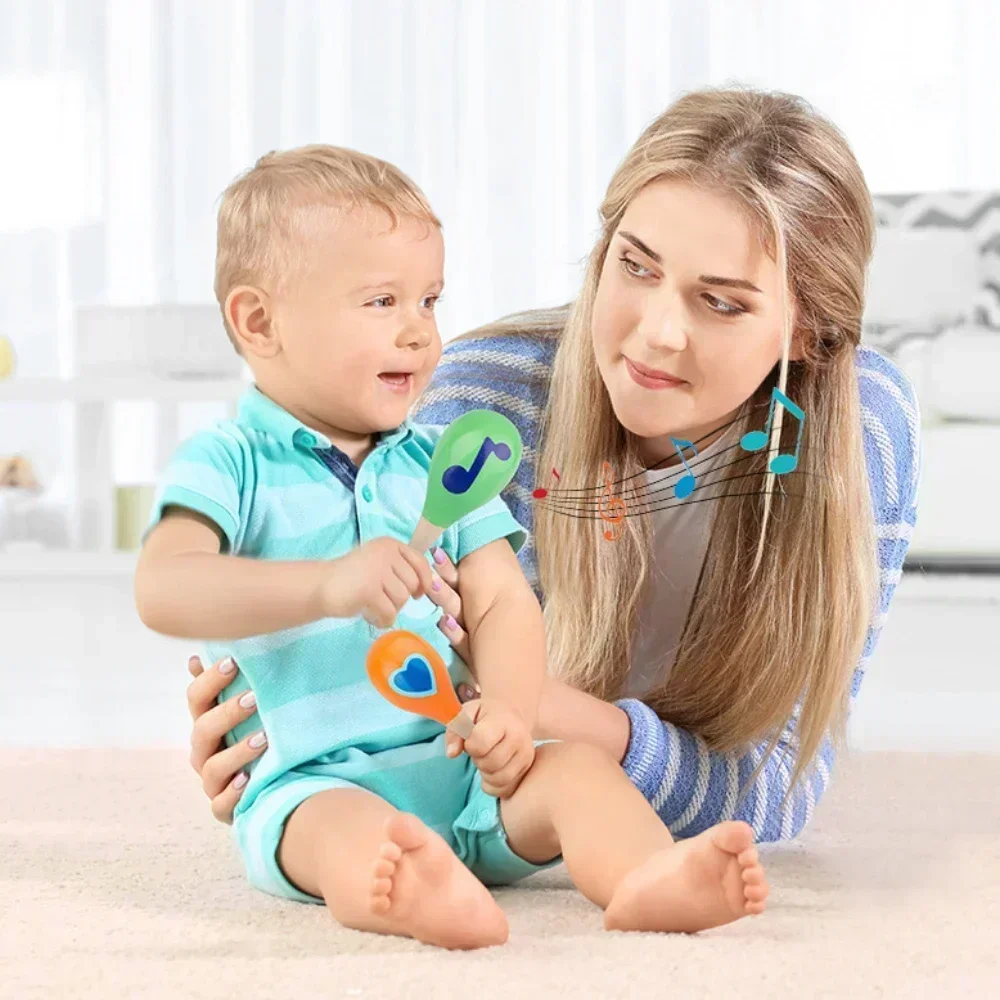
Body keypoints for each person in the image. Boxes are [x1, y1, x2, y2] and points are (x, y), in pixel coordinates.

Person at [184, 87, 919, 852]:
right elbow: (361, 650)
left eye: (722, 303)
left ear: (810, 334)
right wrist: (280, 736)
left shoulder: (861, 432)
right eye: (635, 266)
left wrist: (534, 710)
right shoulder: (481, 404)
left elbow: (772, 792)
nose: (657, 333)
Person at [137, 144, 769, 950]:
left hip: (464, 771)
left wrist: (505, 708)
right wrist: (326, 586)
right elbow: (165, 586)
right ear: (259, 322)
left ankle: (648, 876)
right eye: (380, 303)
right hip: (313, 782)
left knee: (576, 771)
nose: (419, 332)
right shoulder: (228, 464)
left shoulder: (441, 461)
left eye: (429, 300)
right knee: (346, 834)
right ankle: (413, 893)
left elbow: (504, 599)